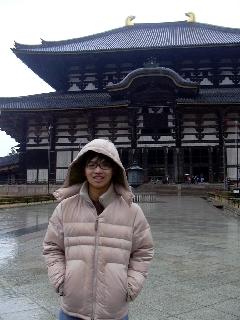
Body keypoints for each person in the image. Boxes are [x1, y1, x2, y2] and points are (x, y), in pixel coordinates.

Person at [43, 138, 154, 320]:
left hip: (114, 311)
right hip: (72, 308)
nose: (97, 170)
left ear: (115, 170)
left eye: (105, 165)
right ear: (83, 169)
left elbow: (143, 251)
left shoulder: (132, 211)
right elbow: (52, 247)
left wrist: (131, 285)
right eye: (92, 165)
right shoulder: (65, 208)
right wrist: (60, 280)